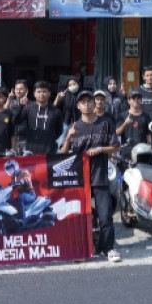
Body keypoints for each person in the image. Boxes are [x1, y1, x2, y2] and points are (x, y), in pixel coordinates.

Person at [60, 90, 121, 263]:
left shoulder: (106, 123)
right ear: (78, 106)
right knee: (80, 217)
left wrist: (100, 149)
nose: (87, 104)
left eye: (89, 101)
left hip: (101, 176)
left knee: (105, 216)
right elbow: (63, 154)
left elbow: (116, 147)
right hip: (80, 179)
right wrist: (68, 139)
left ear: (95, 104)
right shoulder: (74, 127)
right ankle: (81, 249)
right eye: (83, 102)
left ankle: (108, 248)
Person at [13, 80, 64, 155]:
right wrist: (21, 106)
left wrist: (48, 138)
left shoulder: (56, 111)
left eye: (44, 91)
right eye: (39, 92)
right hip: (31, 151)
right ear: (34, 94)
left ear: (49, 94)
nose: (41, 94)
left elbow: (59, 131)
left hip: (50, 151)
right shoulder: (28, 108)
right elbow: (15, 121)